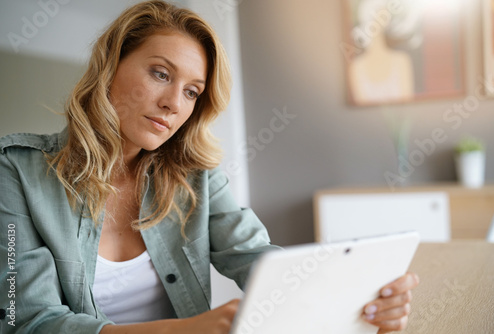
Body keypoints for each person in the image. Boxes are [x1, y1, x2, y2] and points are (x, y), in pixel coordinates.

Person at [0, 1, 419, 333]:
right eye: (161, 74)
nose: (174, 104)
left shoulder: (194, 176)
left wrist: (359, 296)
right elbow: (27, 319)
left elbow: (256, 258)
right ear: (110, 68)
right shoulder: (16, 171)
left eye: (192, 91)